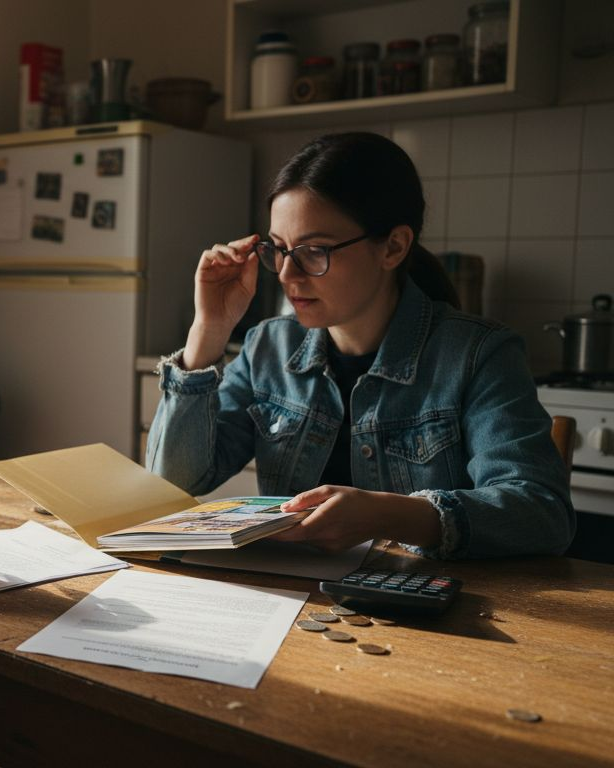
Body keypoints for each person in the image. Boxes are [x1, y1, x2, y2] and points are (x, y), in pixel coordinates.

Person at [145, 132, 573, 559]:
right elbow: (174, 482)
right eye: (278, 250)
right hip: (295, 600)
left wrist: (388, 515)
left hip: (428, 609)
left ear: (393, 246)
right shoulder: (268, 347)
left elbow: (541, 513)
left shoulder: (479, 355)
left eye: (314, 250)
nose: (289, 275)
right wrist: (209, 330)